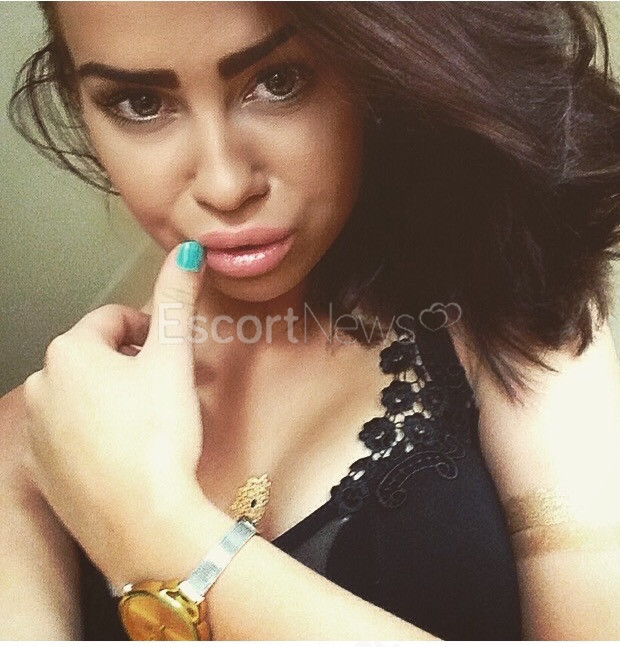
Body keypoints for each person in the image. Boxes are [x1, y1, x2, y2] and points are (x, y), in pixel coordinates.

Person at [2, 0, 620, 640]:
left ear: (369, 68)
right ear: (80, 104)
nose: (224, 186)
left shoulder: (514, 314)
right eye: (139, 103)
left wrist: (153, 529)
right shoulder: (31, 436)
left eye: (278, 81)